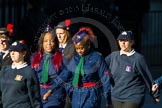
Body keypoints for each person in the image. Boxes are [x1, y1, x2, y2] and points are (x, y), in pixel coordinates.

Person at [43, 27, 111, 108]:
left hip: (91, 95)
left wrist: (108, 101)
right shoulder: (74, 58)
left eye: (81, 48)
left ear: (88, 45)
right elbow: (64, 75)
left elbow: (105, 79)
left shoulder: (97, 58)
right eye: (77, 48)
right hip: (76, 94)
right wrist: (51, 90)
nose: (79, 51)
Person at [105, 31, 160, 108]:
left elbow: (148, 77)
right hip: (116, 96)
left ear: (132, 42)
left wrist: (155, 94)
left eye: (126, 40)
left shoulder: (139, 59)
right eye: (121, 40)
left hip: (133, 96)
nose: (123, 43)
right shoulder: (113, 56)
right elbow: (101, 67)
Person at [31, 25, 66, 108]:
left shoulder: (62, 58)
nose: (49, 43)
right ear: (42, 43)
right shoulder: (34, 57)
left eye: (52, 41)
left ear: (56, 42)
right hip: (38, 93)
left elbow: (64, 77)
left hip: (55, 94)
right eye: (46, 41)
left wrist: (50, 91)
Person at [0, 40, 42, 108]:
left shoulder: (29, 72)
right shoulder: (4, 70)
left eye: (16, 51)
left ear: (24, 53)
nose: (12, 53)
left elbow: (35, 97)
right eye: (11, 51)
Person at [55, 19, 75, 108]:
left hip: (68, 84)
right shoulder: (54, 47)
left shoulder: (73, 47)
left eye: (61, 33)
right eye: (57, 34)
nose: (59, 36)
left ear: (67, 33)